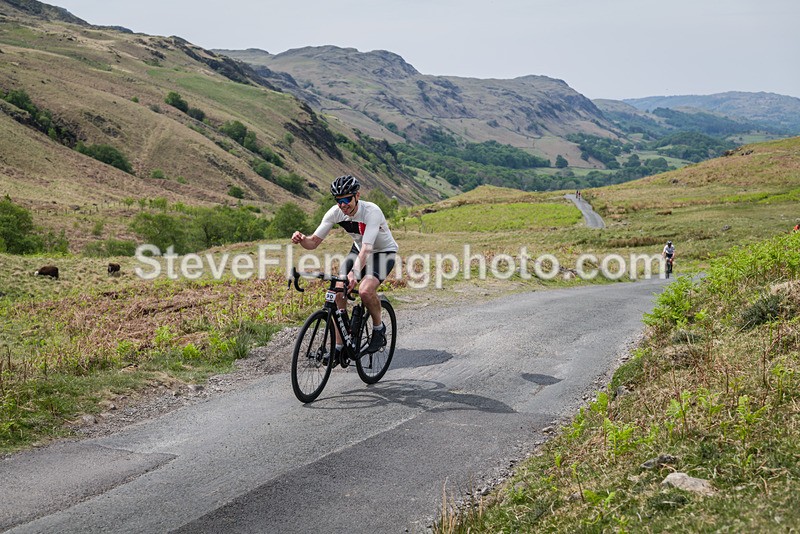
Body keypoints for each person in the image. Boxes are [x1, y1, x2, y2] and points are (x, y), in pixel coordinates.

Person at [291, 175, 398, 359]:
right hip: (358, 250)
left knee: (365, 290)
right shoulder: (335, 212)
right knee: (337, 291)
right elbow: (313, 242)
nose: (343, 205)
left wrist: (354, 274)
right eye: (339, 200)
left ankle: (378, 329)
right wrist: (302, 239)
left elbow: (367, 248)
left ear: (357, 196)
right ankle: (340, 346)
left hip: (382, 252)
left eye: (347, 199)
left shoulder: (372, 211)